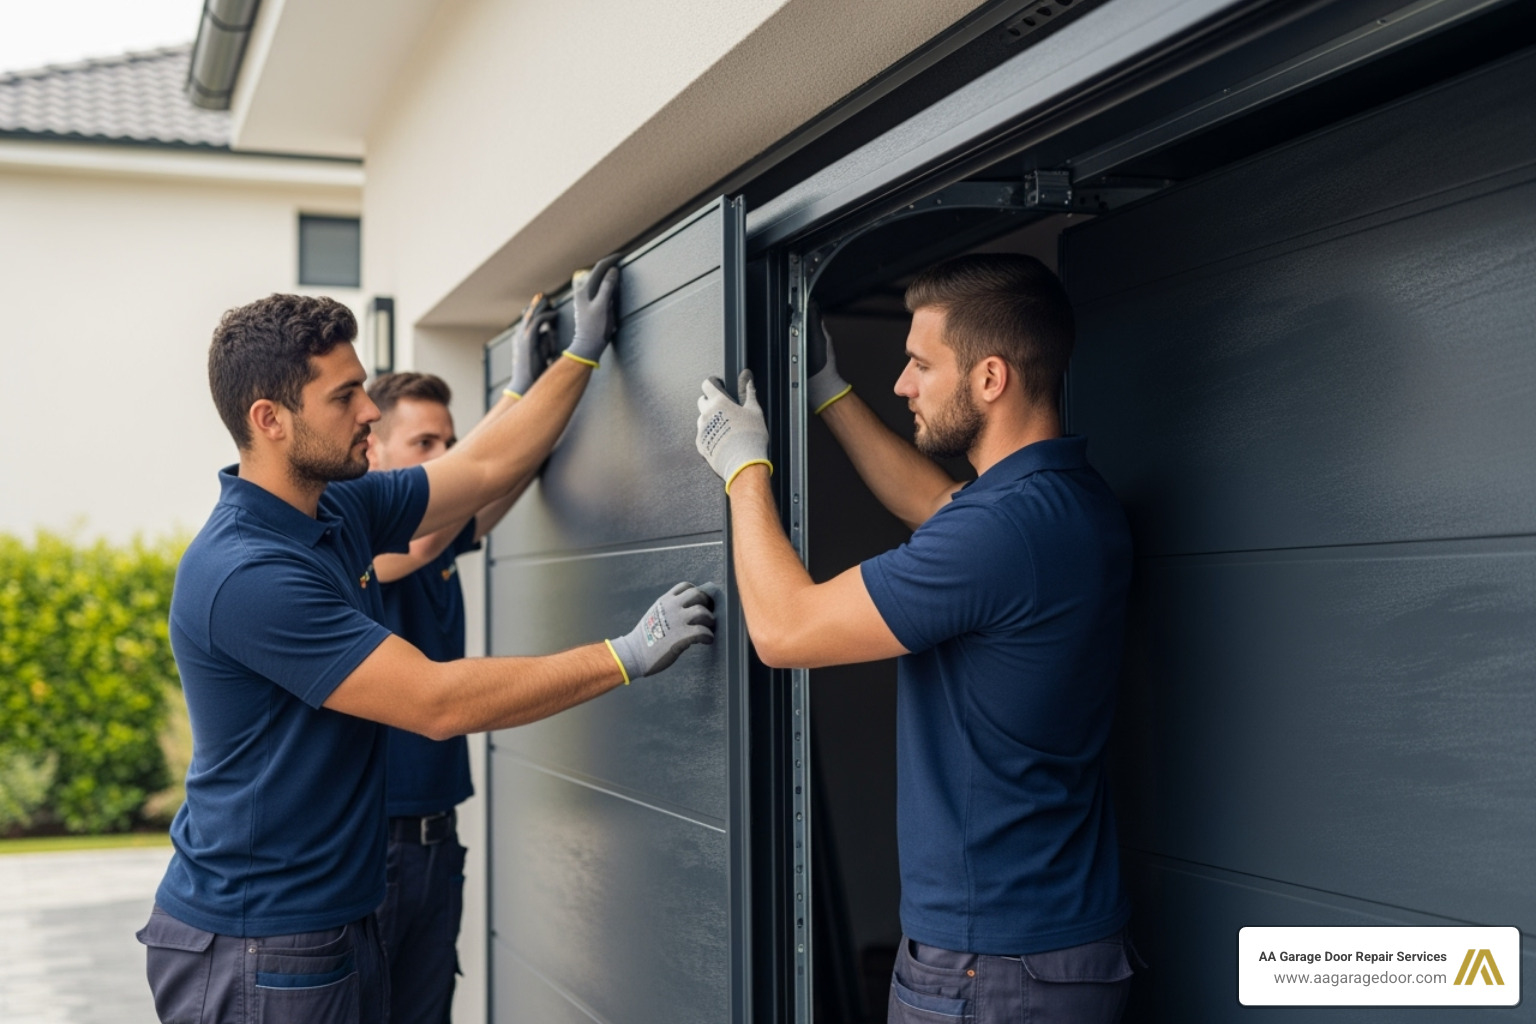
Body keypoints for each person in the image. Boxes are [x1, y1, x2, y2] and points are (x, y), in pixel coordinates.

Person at [138, 265, 715, 1024]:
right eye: (344, 397)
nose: (367, 413)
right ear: (270, 418)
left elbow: (482, 467)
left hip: (327, 923)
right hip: (259, 942)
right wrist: (626, 652)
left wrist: (581, 355)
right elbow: (437, 702)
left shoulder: (335, 511)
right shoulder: (247, 572)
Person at [693, 253, 1137, 1022]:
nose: (902, 383)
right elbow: (936, 504)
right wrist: (827, 389)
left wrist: (743, 470)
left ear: (990, 379)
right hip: (1058, 942)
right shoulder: (1064, 501)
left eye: (919, 363)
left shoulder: (1001, 533)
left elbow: (784, 629)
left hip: (990, 966)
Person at [361, 290, 554, 1024]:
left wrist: (550, 389)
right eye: (424, 446)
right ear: (374, 449)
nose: (444, 459)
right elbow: (463, 494)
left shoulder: (439, 540)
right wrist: (520, 391)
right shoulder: (369, 538)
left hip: (437, 847)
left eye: (450, 441)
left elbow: (507, 474)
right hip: (372, 855)